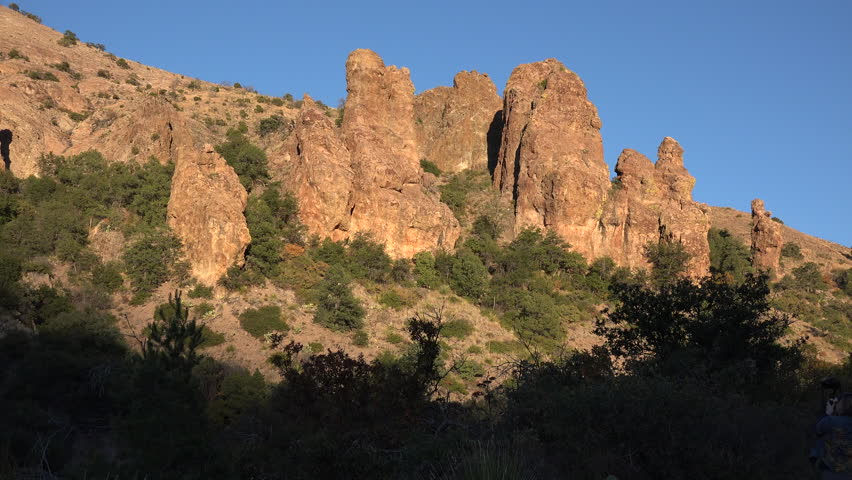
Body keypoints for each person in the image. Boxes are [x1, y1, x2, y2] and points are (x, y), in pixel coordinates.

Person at [814, 393, 852, 479]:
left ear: (841, 405)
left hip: (832, 472)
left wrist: (828, 413)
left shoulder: (831, 421)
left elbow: (818, 429)